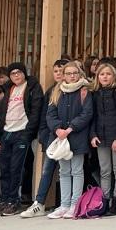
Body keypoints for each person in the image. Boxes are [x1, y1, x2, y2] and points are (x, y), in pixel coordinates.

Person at [0, 62, 43, 216]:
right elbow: (1, 113)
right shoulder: (8, 88)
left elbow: (35, 112)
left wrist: (28, 133)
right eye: (12, 73)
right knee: (4, 168)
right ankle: (5, 200)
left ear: (24, 73)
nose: (16, 76)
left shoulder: (32, 87)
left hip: (22, 132)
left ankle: (14, 201)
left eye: (18, 72)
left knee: (16, 168)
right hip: (6, 132)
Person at [46, 62, 93, 219]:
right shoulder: (57, 91)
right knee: (64, 171)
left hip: (77, 136)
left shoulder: (85, 90)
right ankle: (64, 204)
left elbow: (87, 114)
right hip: (60, 137)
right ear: (64, 75)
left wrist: (70, 128)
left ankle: (75, 204)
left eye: (75, 73)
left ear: (80, 74)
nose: (72, 76)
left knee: (77, 171)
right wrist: (57, 129)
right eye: (68, 73)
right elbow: (50, 114)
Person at [21, 59, 67, 218]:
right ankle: (39, 203)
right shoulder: (50, 91)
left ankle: (64, 203)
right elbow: (44, 116)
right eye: (56, 71)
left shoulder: (76, 90)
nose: (59, 74)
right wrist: (43, 135)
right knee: (47, 170)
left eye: (62, 70)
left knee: (66, 171)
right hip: (50, 138)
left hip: (68, 137)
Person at [90, 63, 116, 216]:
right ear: (97, 77)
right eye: (101, 74)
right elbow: (93, 116)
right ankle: (105, 200)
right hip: (101, 136)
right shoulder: (95, 93)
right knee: (105, 170)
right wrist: (93, 135)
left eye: (108, 74)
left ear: (114, 76)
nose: (105, 77)